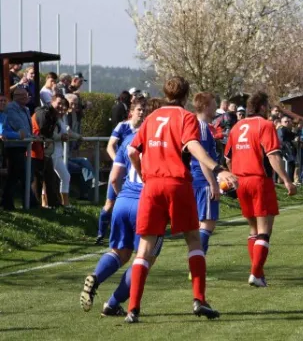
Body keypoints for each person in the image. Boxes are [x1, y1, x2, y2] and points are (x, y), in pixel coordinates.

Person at [125, 76, 236, 324]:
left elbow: (133, 151)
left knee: (144, 248)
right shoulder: (186, 117)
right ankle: (199, 300)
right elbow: (192, 145)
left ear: (165, 93)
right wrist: (217, 169)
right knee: (194, 240)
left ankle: (133, 309)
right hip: (177, 184)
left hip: (152, 186)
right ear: (186, 96)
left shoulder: (151, 118)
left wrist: (143, 174)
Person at [79, 99, 155, 317]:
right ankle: (112, 304)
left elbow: (113, 178)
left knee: (120, 253)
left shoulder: (128, 140)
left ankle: (96, 277)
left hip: (123, 201)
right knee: (144, 258)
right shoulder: (159, 143)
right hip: (145, 203)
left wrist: (122, 196)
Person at [224, 91, 297, 287]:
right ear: (263, 107)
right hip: (259, 181)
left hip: (240, 181)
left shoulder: (237, 127)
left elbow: (228, 158)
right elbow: (273, 155)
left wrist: (233, 177)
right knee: (265, 230)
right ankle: (255, 273)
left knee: (253, 229)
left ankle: (259, 273)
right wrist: (287, 180)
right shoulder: (265, 125)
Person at [96, 98, 146, 245]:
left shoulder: (145, 128)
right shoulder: (123, 126)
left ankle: (134, 232)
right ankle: (100, 234)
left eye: (144, 110)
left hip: (135, 172)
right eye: (139, 110)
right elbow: (110, 146)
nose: (142, 113)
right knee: (110, 202)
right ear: (131, 112)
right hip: (121, 168)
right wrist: (118, 161)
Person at [190, 92, 220, 259]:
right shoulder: (200, 126)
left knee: (203, 224)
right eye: (214, 104)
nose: (216, 107)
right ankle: (196, 264)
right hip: (202, 181)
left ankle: (197, 264)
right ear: (206, 106)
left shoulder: (201, 126)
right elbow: (202, 158)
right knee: (207, 223)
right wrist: (213, 183)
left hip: (198, 180)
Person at [2, 88, 36, 210]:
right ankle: (8, 202)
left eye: (25, 95)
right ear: (15, 96)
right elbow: (19, 126)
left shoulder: (26, 109)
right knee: (15, 175)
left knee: (22, 175)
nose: (24, 97)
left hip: (23, 146)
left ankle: (29, 202)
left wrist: (32, 136)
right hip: (13, 146)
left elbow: (27, 128)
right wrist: (29, 136)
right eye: (21, 95)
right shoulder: (11, 108)